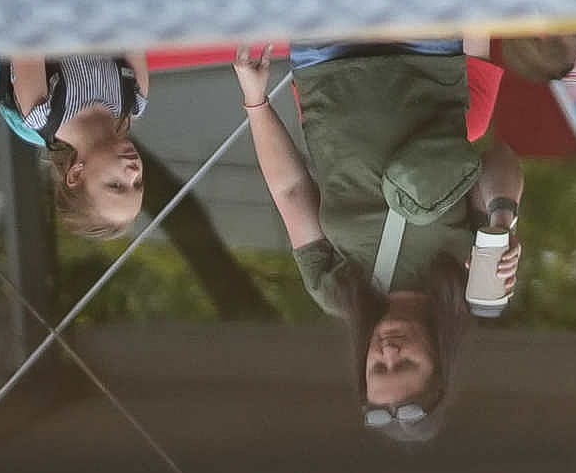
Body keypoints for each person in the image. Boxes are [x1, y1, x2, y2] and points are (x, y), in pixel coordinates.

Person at [237, 39, 557, 442]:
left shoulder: (335, 291)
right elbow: (499, 158)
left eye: (377, 369)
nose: (387, 353)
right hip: (425, 55)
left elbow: (290, 191)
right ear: (438, 362)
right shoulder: (470, 279)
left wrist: (255, 99)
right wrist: (502, 221)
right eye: (404, 366)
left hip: (323, 67)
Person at [0, 48, 157, 242]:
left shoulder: (41, 111)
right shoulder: (135, 97)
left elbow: (27, 33)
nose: (133, 173)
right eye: (138, 184)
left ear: (76, 173)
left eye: (116, 185)